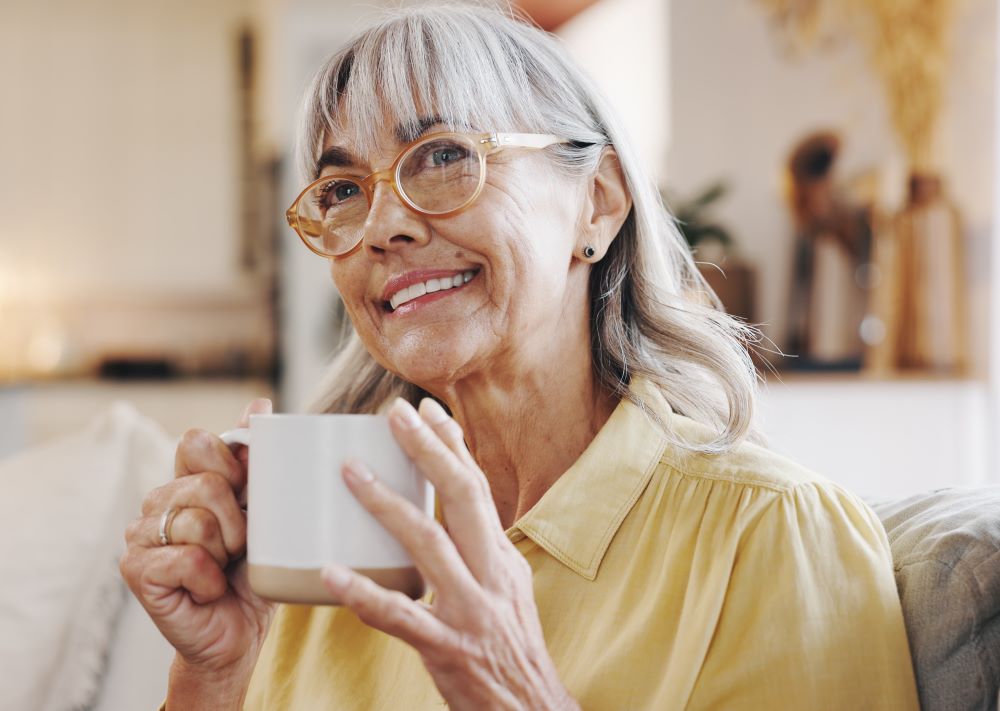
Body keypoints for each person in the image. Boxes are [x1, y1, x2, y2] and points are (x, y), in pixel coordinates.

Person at [119, 4, 920, 709]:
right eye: (342, 192)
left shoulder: (774, 537)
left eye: (441, 155)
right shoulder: (326, 552)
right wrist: (216, 678)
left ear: (597, 202)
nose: (382, 225)